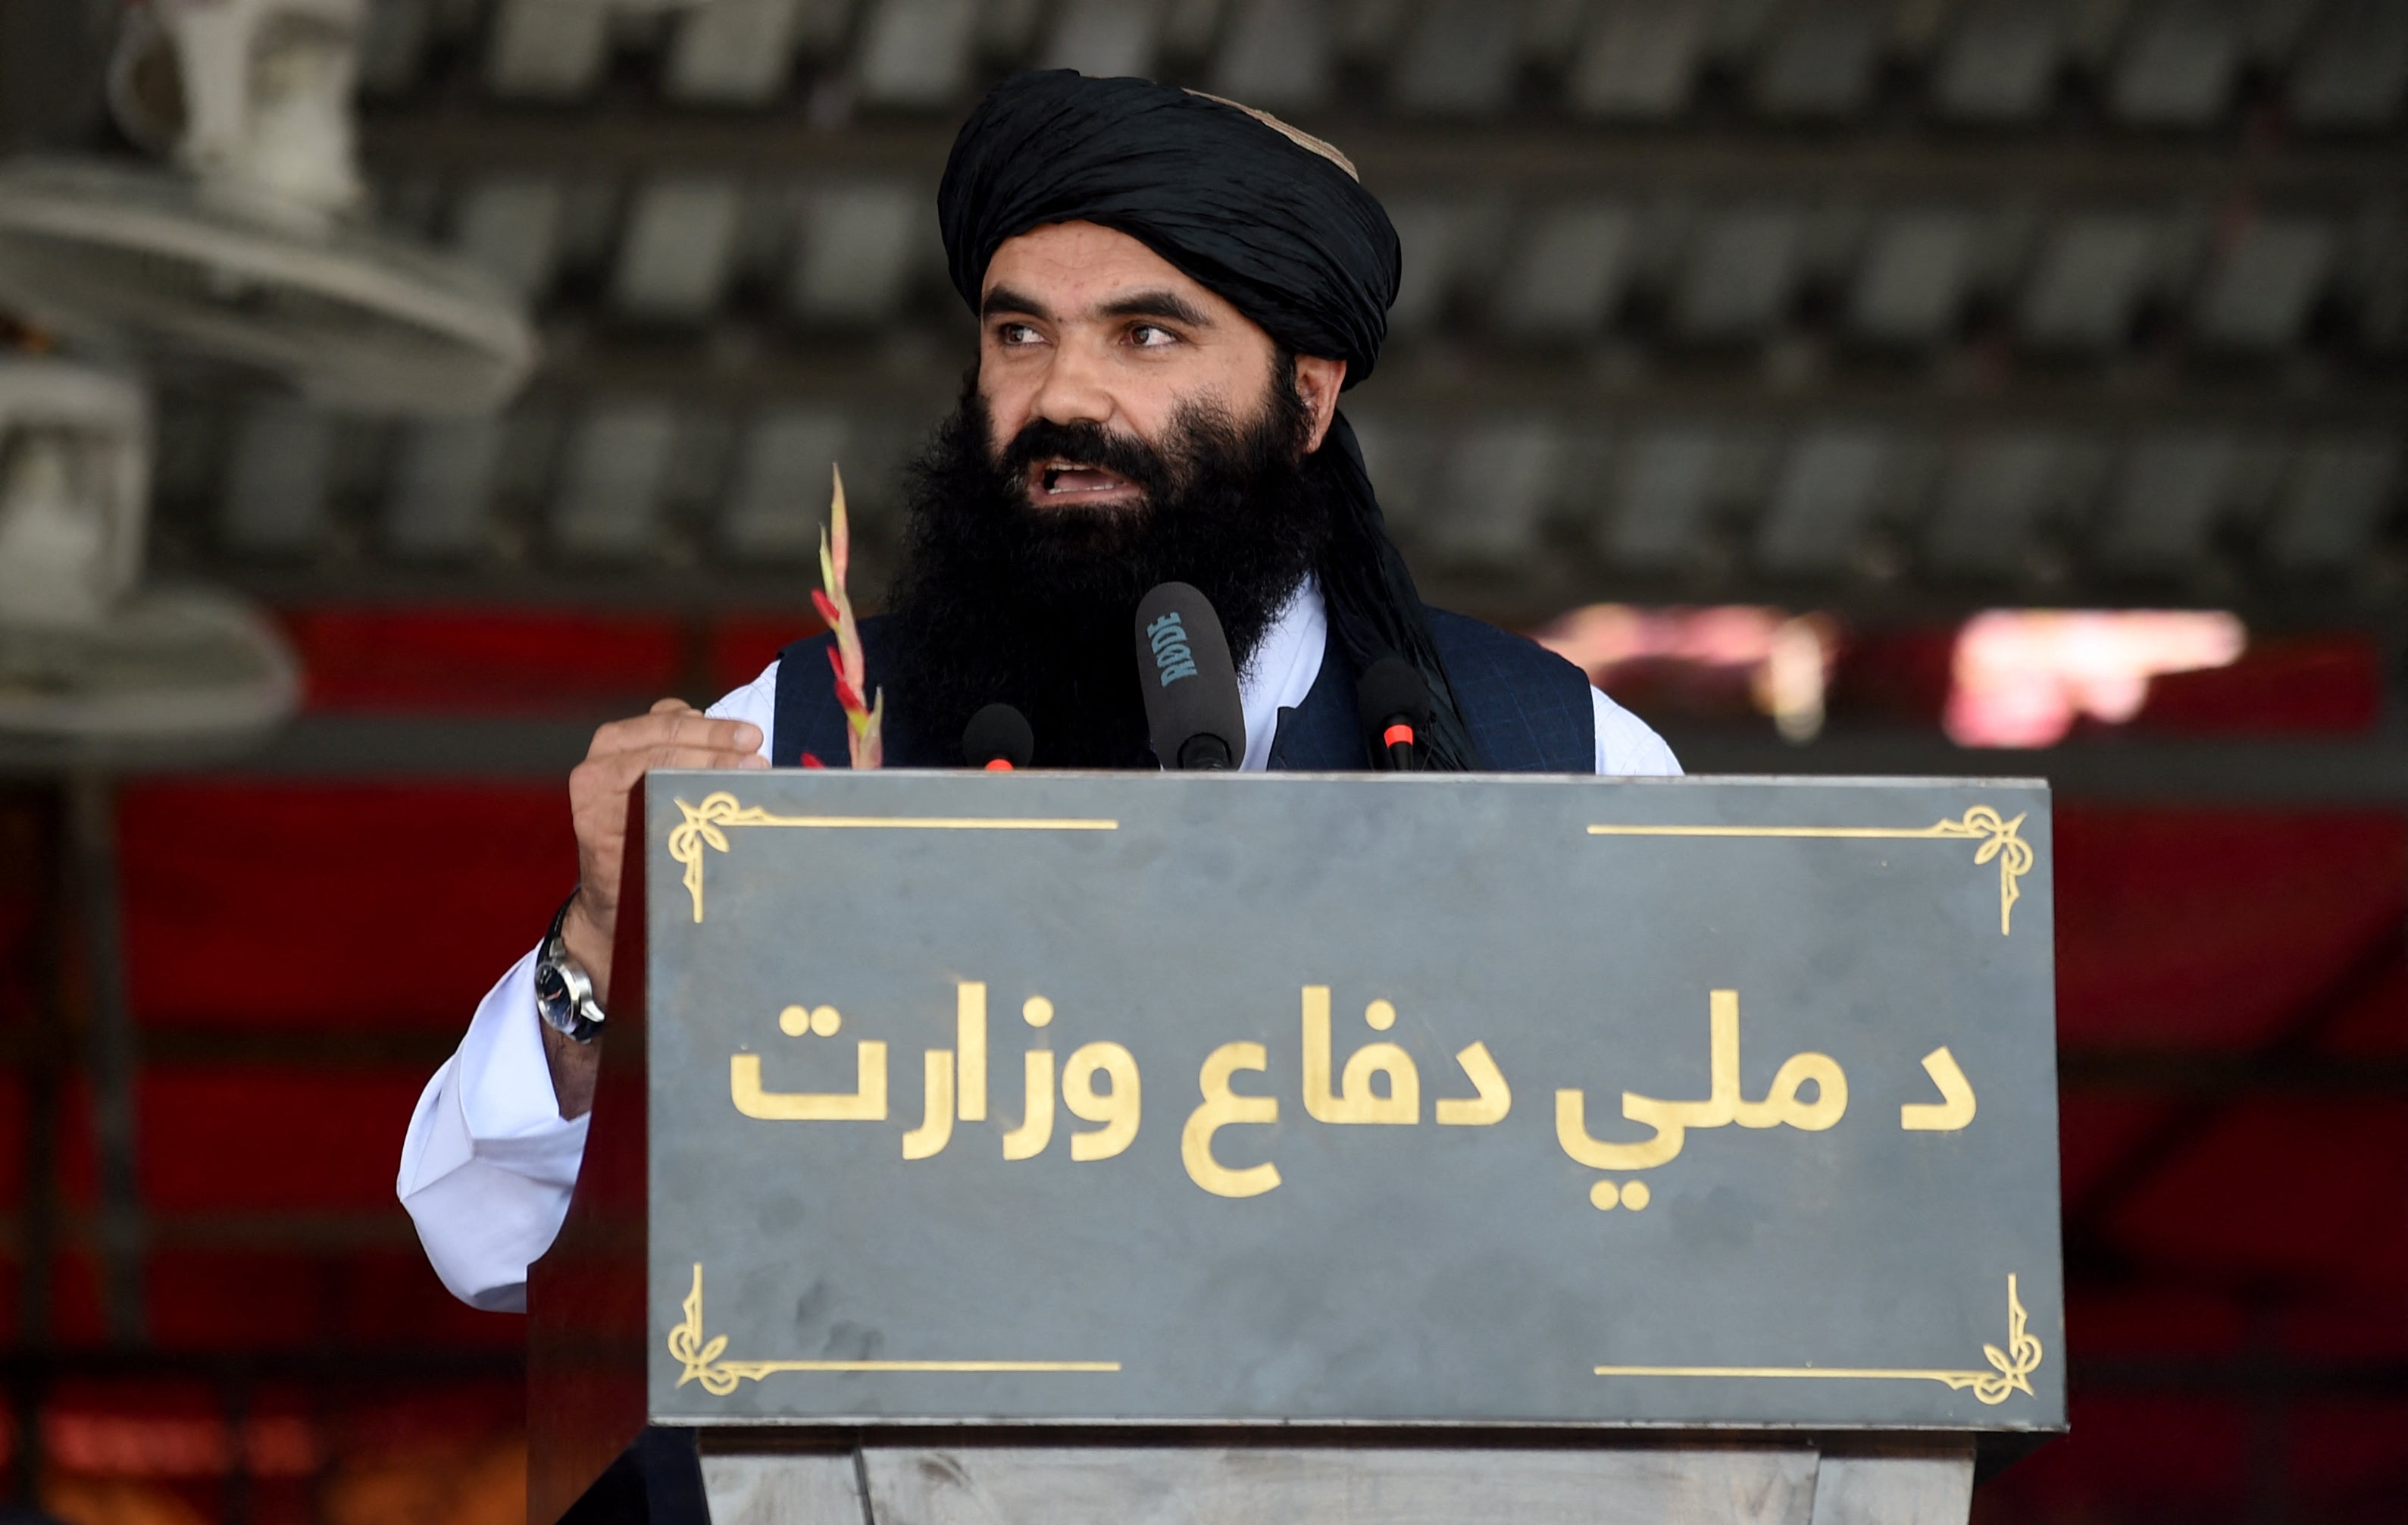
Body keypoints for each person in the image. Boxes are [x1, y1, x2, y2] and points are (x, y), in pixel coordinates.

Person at [397, 69, 1678, 1316]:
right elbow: (489, 1244)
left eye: (1147, 334)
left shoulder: (1566, 757)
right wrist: (603, 945)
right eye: (1020, 334)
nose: (1063, 396)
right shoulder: (788, 747)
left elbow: (1703, 1231)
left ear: (1306, 396)